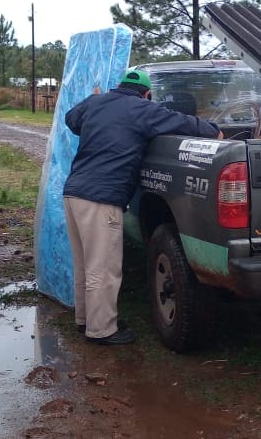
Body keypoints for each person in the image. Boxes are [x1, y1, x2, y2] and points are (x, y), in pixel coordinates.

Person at [63, 69, 222, 345]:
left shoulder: (95, 103)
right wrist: (214, 130)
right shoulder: (143, 110)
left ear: (119, 86)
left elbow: (71, 119)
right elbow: (183, 122)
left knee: (85, 265)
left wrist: (94, 101)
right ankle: (102, 330)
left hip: (73, 194)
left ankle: (85, 319)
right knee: (103, 269)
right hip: (101, 199)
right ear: (147, 94)